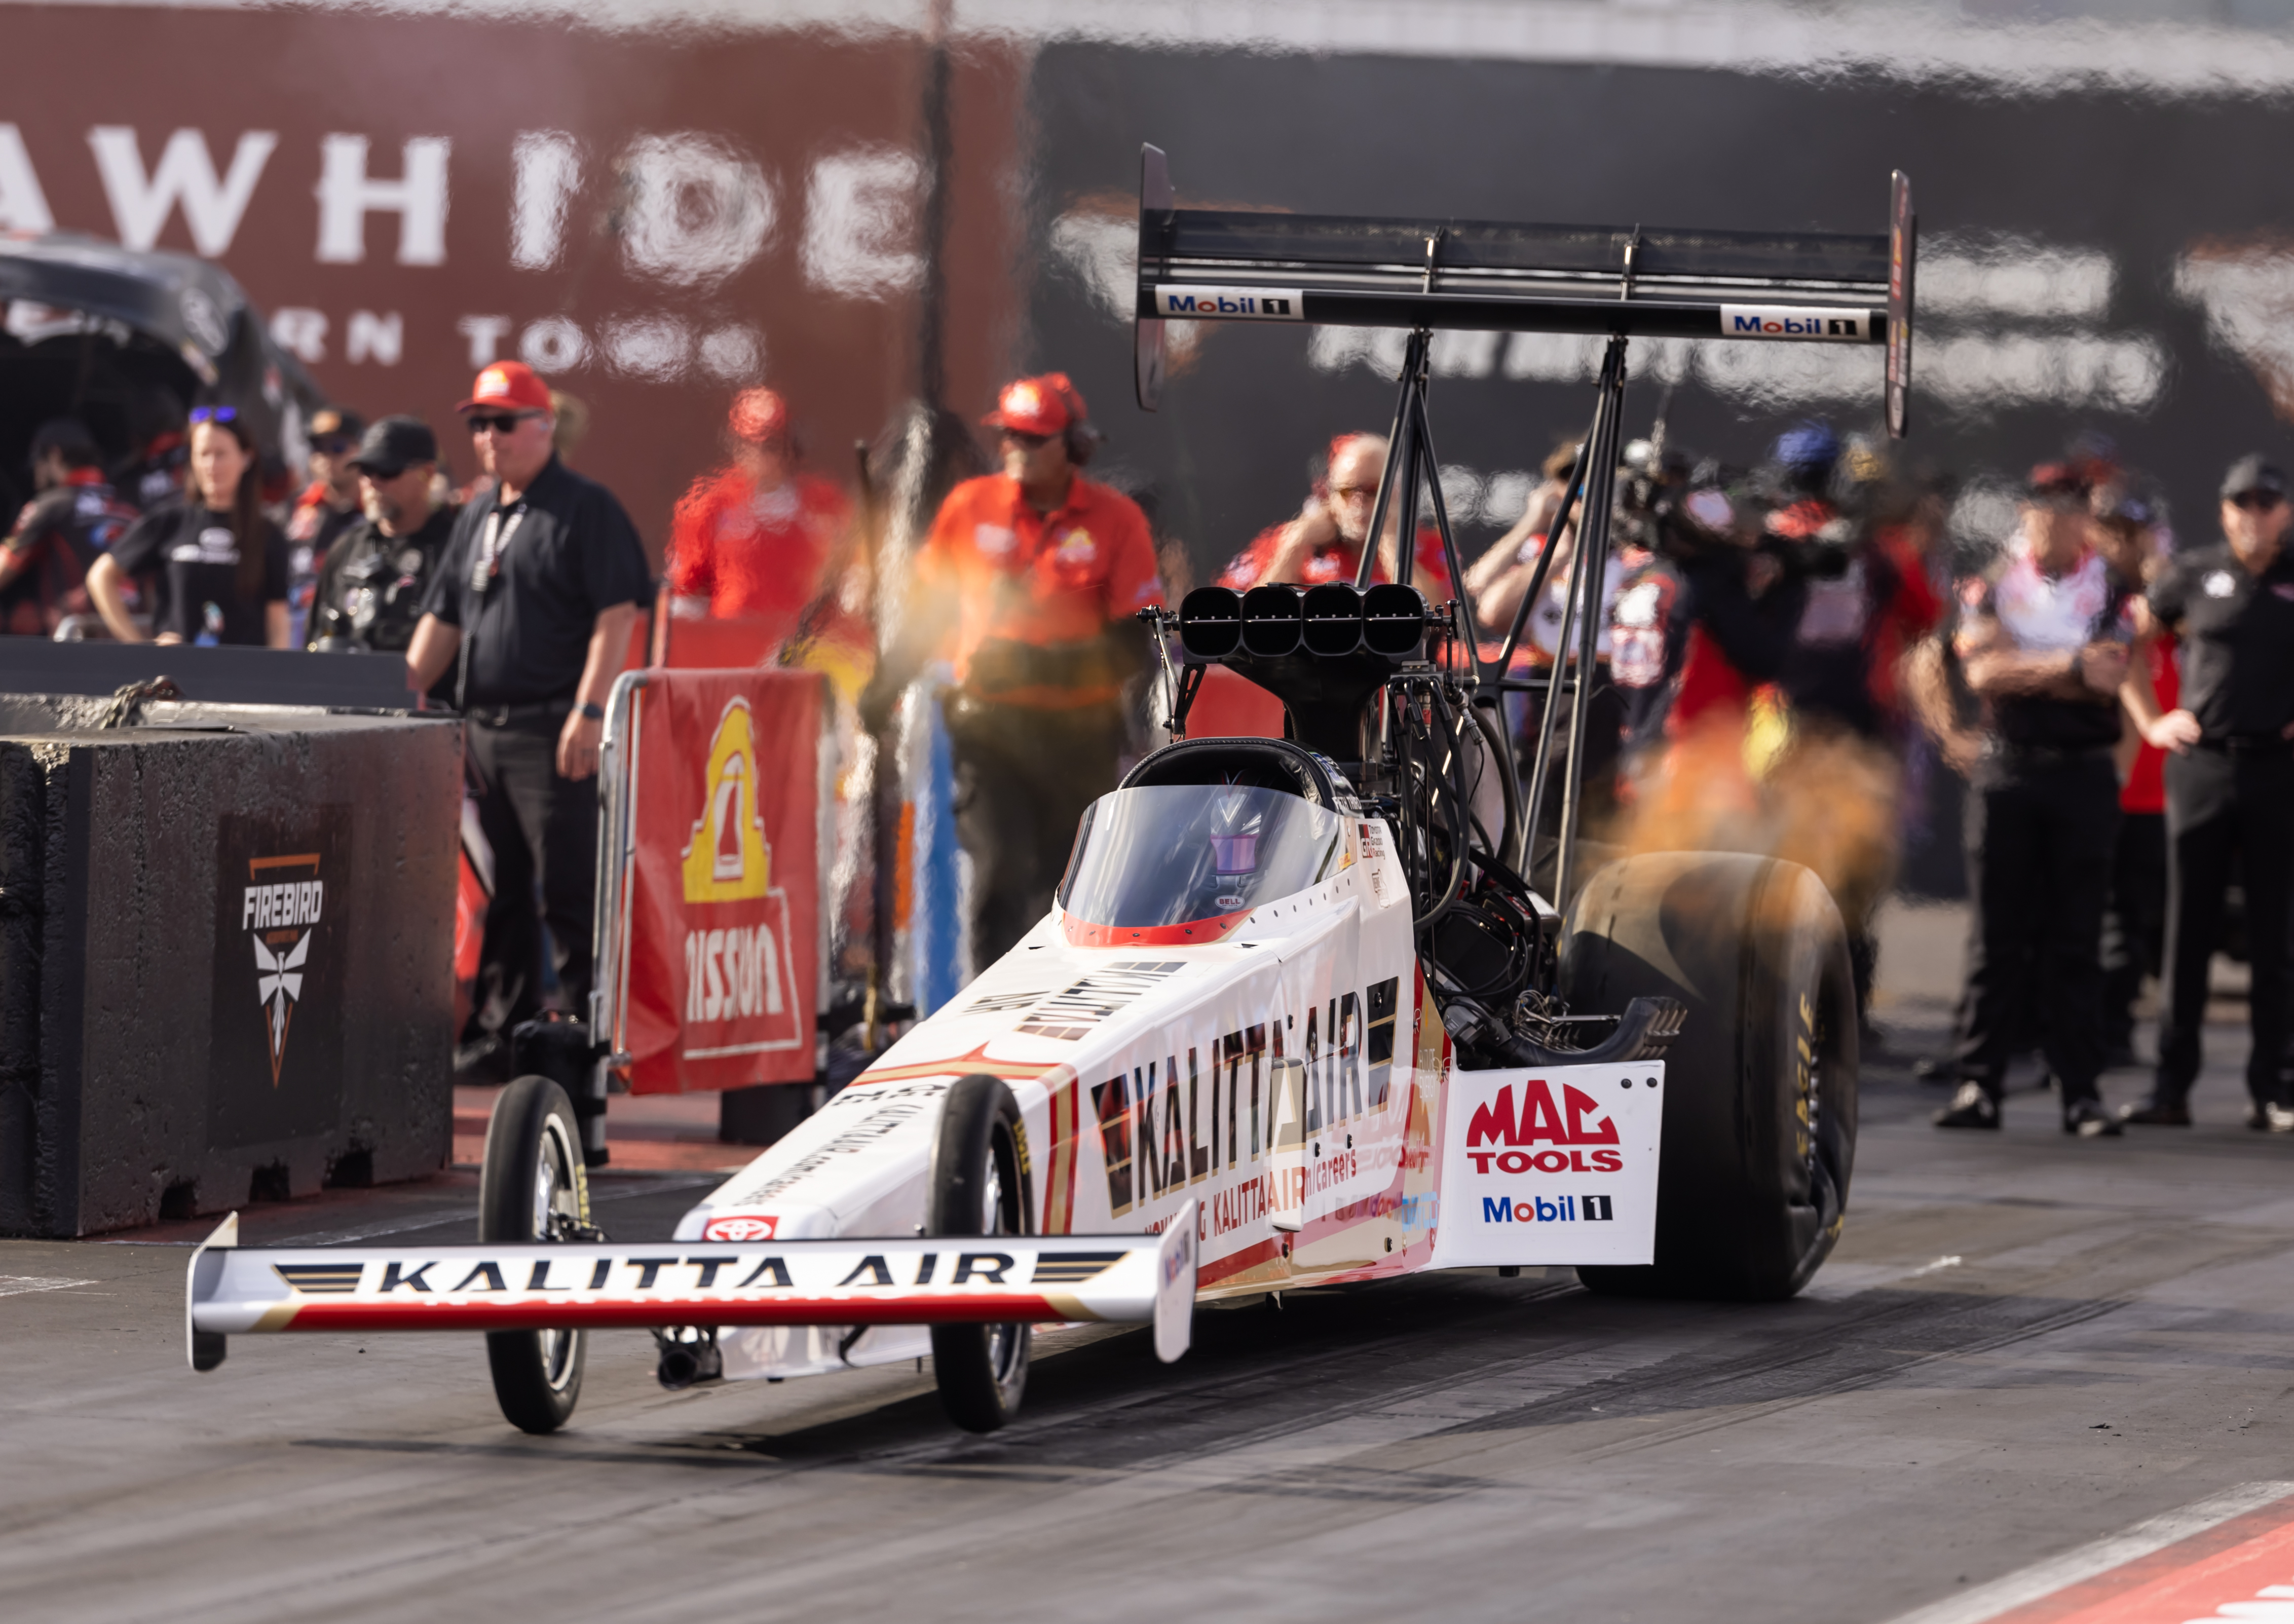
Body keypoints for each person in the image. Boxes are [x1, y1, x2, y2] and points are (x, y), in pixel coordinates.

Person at [858, 372, 1163, 965]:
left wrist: (1043, 664)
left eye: (1033, 439)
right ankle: (994, 1022)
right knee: (1001, 869)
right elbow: (930, 612)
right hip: (988, 730)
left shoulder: (1116, 521)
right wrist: (887, 683)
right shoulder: (969, 508)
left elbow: (1134, 645)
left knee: (1066, 885)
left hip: (1079, 738)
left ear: (1073, 446)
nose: (1015, 450)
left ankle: (1064, 1010)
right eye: (1009, 437)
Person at [407, 362, 650, 1024]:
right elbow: (445, 617)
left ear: (543, 427)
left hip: (552, 729)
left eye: (504, 423)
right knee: (505, 890)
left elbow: (617, 613)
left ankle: (586, 1035)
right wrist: (397, 695)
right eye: (479, 424)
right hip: (484, 729)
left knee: (567, 888)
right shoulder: (478, 512)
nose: (489, 437)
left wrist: (589, 710)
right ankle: (507, 1028)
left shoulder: (584, 507)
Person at [1932, 460, 2131, 1137]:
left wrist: (2040, 669)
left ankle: (2079, 1092)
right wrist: (2067, 666)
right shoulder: (1990, 583)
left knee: (2075, 938)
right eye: (2045, 503)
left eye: (2072, 505)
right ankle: (1976, 1085)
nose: (2058, 516)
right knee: (1996, 937)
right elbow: (1982, 669)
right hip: (2007, 771)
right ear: (2024, 510)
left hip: (2080, 770)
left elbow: (2109, 675)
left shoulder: (2111, 585)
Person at [2119, 455, 2294, 1132]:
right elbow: (2128, 646)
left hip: (2277, 769)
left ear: (2282, 511)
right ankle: (2170, 1086)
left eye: (2267, 503)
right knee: (2184, 930)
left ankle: (2270, 1088)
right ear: (2224, 510)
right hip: (2200, 765)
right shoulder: (2191, 574)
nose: (2254, 515)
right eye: (2242, 503)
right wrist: (2149, 720)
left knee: (2274, 932)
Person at [2089, 476, 2173, 1068]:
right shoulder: (2087, 596)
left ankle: (2115, 1029)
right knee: (2080, 915)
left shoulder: (2170, 597)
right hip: (2098, 781)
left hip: (2157, 790)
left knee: (2135, 919)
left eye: (2133, 533)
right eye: (2113, 532)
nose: (2123, 544)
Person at [665, 388, 854, 646]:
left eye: (773, 445)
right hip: (734, 647)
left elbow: (853, 575)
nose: (763, 455)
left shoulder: (826, 503)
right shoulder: (710, 505)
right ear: (736, 446)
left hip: (807, 648)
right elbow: (685, 594)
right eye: (753, 444)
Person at [88, 405, 289, 648]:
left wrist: (276, 679)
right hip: (177, 678)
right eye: (203, 454)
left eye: (221, 454)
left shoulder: (268, 533)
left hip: (242, 678)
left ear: (246, 458)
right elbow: (101, 576)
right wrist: (137, 644)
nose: (211, 465)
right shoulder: (170, 521)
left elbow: (278, 623)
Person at [308, 417, 457, 675]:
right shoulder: (347, 547)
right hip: (341, 705)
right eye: (366, 471)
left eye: (388, 472)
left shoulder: (454, 546)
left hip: (426, 708)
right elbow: (315, 635)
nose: (373, 483)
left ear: (428, 473)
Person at [1216, 433, 1451, 595]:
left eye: (1372, 491)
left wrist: (1393, 550)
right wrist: (1295, 548)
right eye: (1348, 491)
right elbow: (1250, 620)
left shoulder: (1430, 547)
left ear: (1397, 495)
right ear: (1330, 496)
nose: (1359, 503)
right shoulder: (1288, 541)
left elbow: (1442, 625)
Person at [1, 419, 139, 637]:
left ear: (55, 456)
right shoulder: (129, 504)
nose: (35, 473)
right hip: (136, 634)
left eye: (38, 462)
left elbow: (4, 566)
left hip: (77, 643)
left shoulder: (49, 506)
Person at [286, 408, 367, 648]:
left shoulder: (376, 515)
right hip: (296, 639)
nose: (327, 456)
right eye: (318, 448)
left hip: (353, 638)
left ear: (361, 450)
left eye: (338, 447)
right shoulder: (293, 510)